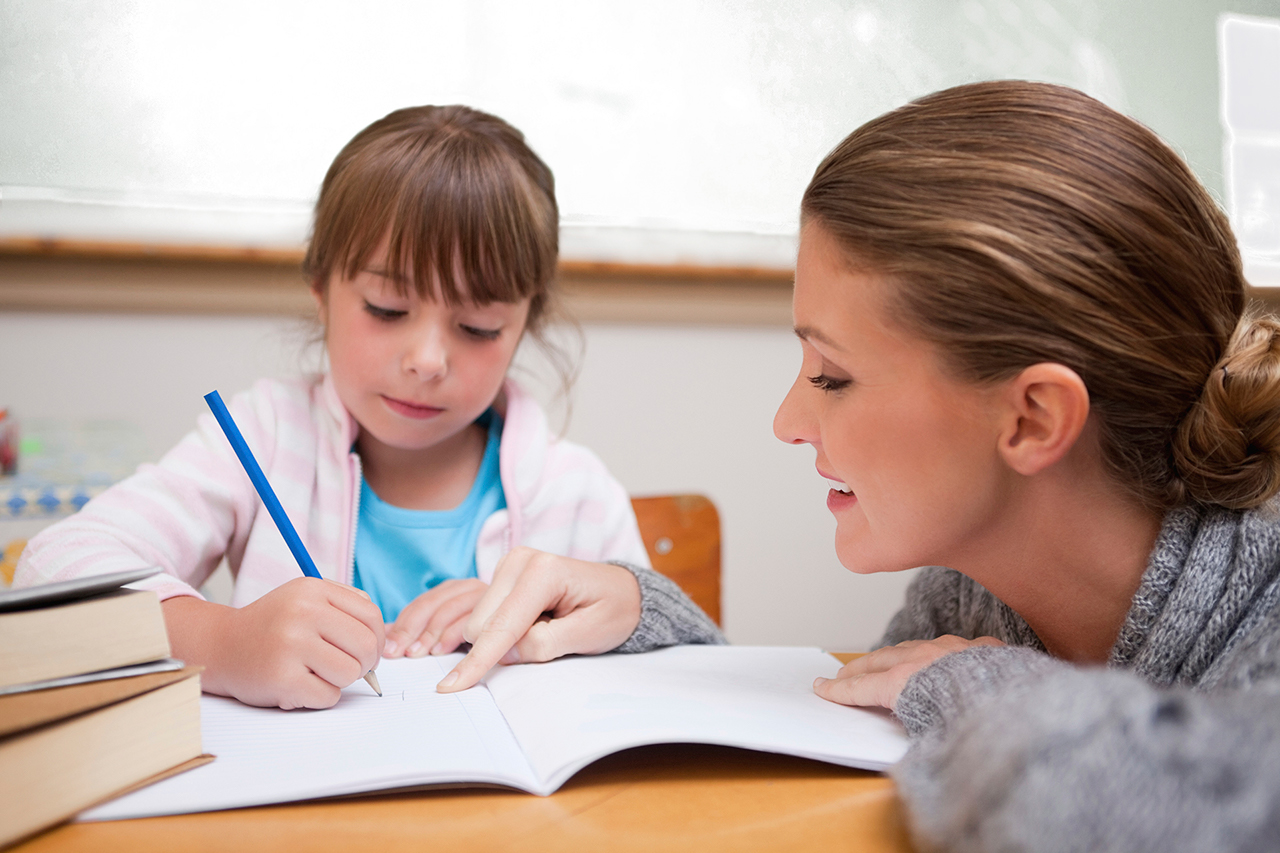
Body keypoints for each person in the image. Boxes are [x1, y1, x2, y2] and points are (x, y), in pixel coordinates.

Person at [440, 82, 1280, 850]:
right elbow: (837, 723)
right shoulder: (972, 591)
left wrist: (973, 679)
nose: (787, 421)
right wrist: (639, 614)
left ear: (1031, 417)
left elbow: (1140, 814)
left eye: (832, 377)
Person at [14, 105, 721, 712]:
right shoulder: (259, 439)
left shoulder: (574, 493)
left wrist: (616, 607)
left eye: (477, 326)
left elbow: (694, 673)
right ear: (321, 288)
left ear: (525, 325)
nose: (428, 359)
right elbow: (51, 570)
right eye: (387, 308)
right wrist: (222, 643)